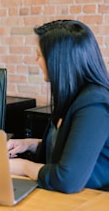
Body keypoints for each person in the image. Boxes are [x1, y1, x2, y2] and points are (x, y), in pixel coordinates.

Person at [7, 19, 109, 193]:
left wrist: (22, 166)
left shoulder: (94, 105)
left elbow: (67, 179)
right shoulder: (74, 95)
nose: (36, 60)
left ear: (58, 60)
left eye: (40, 55)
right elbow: (70, 148)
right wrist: (30, 144)